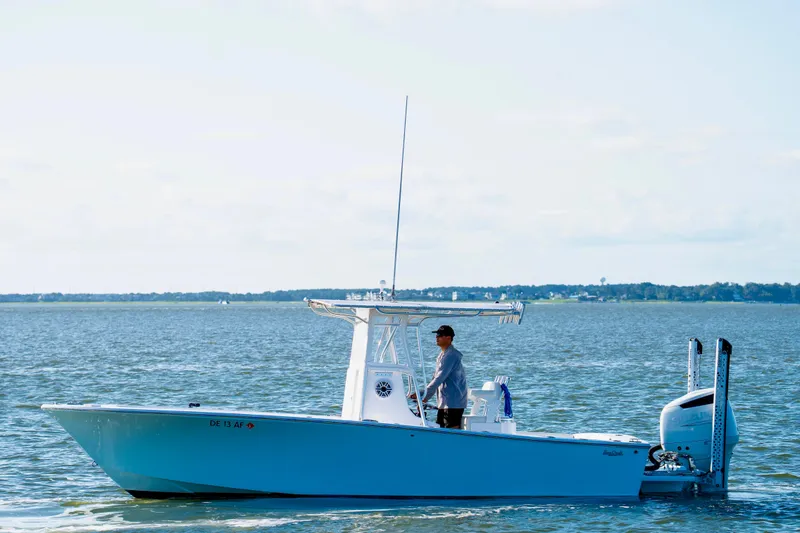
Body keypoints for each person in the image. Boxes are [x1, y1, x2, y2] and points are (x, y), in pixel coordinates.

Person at [411, 325, 468, 429]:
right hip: (445, 401)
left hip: (453, 402)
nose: (436, 337)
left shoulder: (451, 355)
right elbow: (435, 378)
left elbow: (439, 378)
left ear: (449, 338)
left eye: (440, 335)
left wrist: (425, 396)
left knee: (451, 431)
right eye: (437, 335)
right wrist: (423, 394)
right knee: (440, 429)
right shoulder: (442, 355)